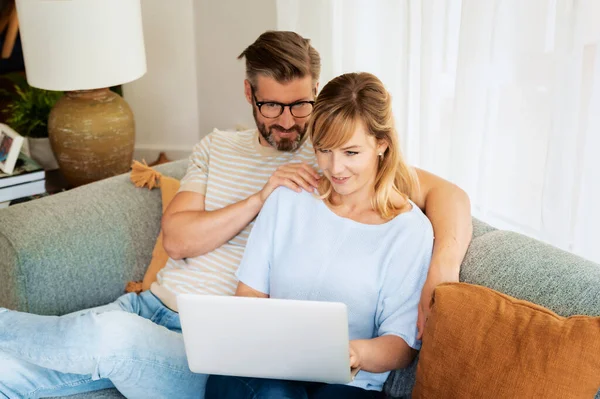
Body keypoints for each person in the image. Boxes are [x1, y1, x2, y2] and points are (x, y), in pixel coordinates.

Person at [0, 31, 471, 399]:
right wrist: (259, 198)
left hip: (210, 340)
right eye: (272, 105)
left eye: (301, 105)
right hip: (151, 306)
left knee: (108, 337)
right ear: (249, 94)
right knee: (11, 375)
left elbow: (445, 195)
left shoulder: (328, 151)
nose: (288, 121)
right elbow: (179, 240)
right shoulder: (222, 149)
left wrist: (443, 267)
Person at [205, 72, 434, 399]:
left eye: (351, 153)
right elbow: (249, 298)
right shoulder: (289, 199)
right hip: (270, 372)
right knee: (266, 390)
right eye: (324, 150)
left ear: (382, 144)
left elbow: (401, 345)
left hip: (349, 386)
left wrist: (355, 353)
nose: (335, 168)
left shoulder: (409, 232)